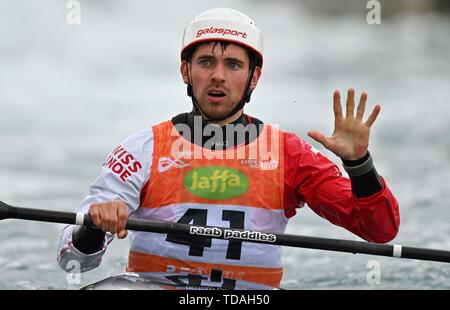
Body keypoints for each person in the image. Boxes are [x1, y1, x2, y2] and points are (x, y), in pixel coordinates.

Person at [57, 8, 400, 289]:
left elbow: (379, 231)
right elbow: (71, 261)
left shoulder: (289, 154)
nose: (218, 75)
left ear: (253, 78)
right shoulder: (141, 150)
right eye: (206, 62)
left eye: (233, 65)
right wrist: (93, 227)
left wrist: (359, 164)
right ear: (185, 72)